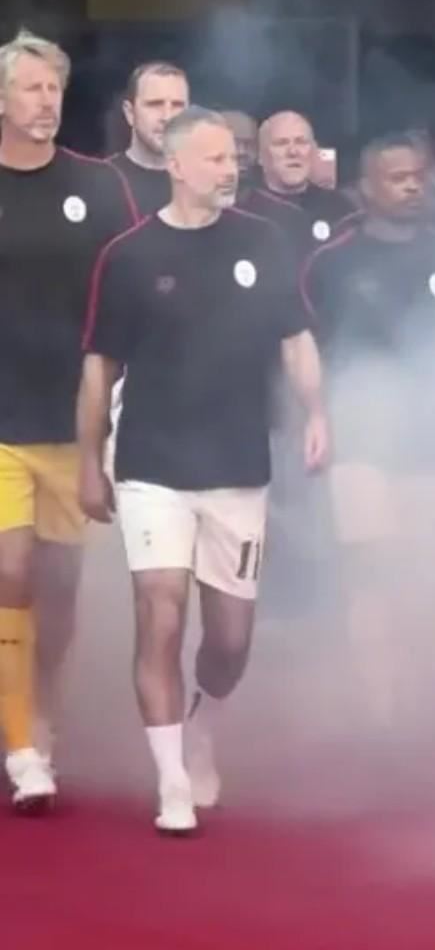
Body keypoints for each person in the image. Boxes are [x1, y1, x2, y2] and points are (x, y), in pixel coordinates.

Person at [77, 106, 329, 835]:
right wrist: (91, 462)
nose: (231, 169)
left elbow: (296, 338)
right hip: (151, 465)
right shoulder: (128, 256)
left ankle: (203, 721)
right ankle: (172, 781)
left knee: (229, 642)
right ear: (176, 165)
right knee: (159, 609)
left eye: (233, 159)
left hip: (238, 464)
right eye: (216, 159)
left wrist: (317, 413)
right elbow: (99, 368)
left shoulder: (264, 241)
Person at [301, 132, 435, 731]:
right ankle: (380, 700)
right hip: (363, 443)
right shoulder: (332, 262)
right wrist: (316, 417)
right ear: (365, 188)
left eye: (418, 175)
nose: (411, 186)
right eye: (396, 177)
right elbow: (306, 351)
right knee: (373, 573)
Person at [0, 28, 138, 811]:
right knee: (9, 568)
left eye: (54, 88)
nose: (46, 101)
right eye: (31, 88)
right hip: (0, 421)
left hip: (73, 418)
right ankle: (21, 744)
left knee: (59, 587)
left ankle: (44, 720)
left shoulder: (97, 185)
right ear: (2, 100)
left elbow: (127, 287)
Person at [108, 61, 190, 216]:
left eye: (177, 105)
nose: (167, 117)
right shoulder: (103, 179)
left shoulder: (204, 183)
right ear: (130, 113)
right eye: (155, 104)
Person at [258, 111, 356, 231]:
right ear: (261, 156)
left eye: (301, 142)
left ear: (313, 151)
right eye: (281, 143)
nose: (293, 152)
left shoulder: (340, 209)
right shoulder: (245, 211)